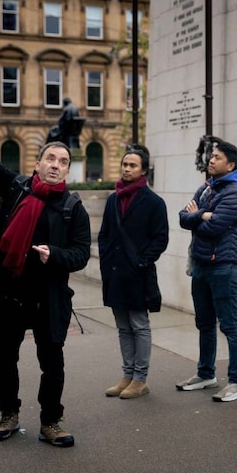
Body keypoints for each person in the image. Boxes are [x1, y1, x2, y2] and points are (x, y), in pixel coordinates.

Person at [0, 97, 91, 448]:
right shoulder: (16, 188)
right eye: (51, 159)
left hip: (49, 298)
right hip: (11, 293)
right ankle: (9, 414)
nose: (56, 165)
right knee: (5, 359)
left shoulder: (74, 208)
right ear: (38, 163)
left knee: (52, 364)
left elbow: (81, 254)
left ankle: (51, 421)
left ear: (68, 170)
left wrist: (54, 255)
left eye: (63, 162)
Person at [177, 140, 237, 402]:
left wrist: (201, 216)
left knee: (230, 325)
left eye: (217, 157)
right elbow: (182, 217)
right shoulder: (207, 187)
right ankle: (206, 374)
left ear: (230, 165)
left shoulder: (235, 192)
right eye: (212, 155)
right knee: (204, 323)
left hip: (223, 266)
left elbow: (214, 227)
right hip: (201, 265)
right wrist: (202, 215)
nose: (211, 159)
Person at [99, 145, 169, 400]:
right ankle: (127, 375)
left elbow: (160, 239)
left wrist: (141, 262)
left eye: (132, 165)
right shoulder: (112, 199)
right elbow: (104, 233)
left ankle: (140, 379)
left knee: (139, 325)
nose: (127, 169)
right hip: (115, 273)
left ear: (143, 170)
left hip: (138, 274)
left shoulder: (153, 202)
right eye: (125, 164)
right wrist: (106, 260)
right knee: (122, 326)